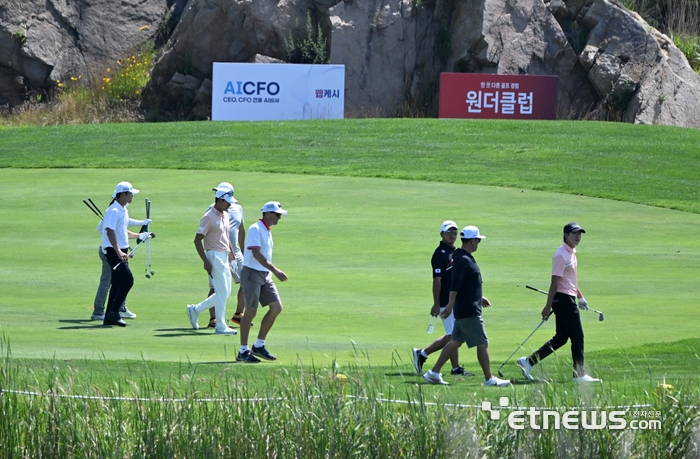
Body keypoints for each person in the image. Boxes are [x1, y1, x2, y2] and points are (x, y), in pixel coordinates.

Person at [423, 226, 510, 387]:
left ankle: (433, 373)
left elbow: (466, 283)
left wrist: (479, 297)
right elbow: (455, 284)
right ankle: (489, 378)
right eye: (478, 240)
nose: (478, 243)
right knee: (482, 343)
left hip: (467, 306)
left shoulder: (462, 256)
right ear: (472, 240)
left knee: (455, 341)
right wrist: (449, 305)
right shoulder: (463, 259)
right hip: (468, 310)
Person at [517, 223, 600, 383]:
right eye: (575, 233)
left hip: (567, 297)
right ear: (566, 235)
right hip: (562, 300)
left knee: (562, 337)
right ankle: (579, 375)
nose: (578, 236)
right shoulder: (561, 255)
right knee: (577, 336)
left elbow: (571, 280)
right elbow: (555, 282)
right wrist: (548, 306)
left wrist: (580, 297)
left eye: (580, 234)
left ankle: (528, 362)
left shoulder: (571, 253)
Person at [412, 221, 473, 377]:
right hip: (446, 301)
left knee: (453, 334)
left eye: (454, 232)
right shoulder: (440, 254)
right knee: (453, 336)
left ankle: (455, 368)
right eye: (448, 232)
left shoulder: (454, 251)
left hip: (454, 299)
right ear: (441, 234)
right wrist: (437, 303)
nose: (452, 235)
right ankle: (423, 353)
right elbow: (437, 280)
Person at [236, 201, 288, 363]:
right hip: (252, 273)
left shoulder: (267, 230)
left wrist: (270, 272)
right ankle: (243, 351)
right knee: (250, 311)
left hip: (264, 275)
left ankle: (259, 345)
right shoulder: (255, 229)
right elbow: (256, 254)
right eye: (277, 214)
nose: (279, 217)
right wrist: (275, 270)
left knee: (276, 307)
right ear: (267, 214)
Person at [186, 187, 238, 335]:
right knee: (221, 291)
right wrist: (205, 261)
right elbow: (197, 240)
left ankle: (195, 309)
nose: (229, 205)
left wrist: (232, 257)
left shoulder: (225, 215)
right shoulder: (209, 217)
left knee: (225, 292)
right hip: (213, 255)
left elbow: (227, 238)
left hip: (225, 255)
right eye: (227, 202)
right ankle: (220, 326)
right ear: (220, 200)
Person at [101, 181, 153, 327]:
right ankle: (114, 312)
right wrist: (118, 251)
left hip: (119, 250)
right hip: (113, 251)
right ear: (123, 194)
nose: (132, 196)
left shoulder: (122, 209)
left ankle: (109, 316)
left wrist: (140, 235)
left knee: (117, 283)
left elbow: (122, 232)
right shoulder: (114, 210)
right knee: (127, 280)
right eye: (130, 194)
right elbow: (109, 231)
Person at [202, 182, 248, 329]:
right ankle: (213, 318)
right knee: (216, 286)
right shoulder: (212, 209)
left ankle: (239, 314)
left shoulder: (238, 208)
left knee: (246, 282)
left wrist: (243, 250)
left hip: (236, 252)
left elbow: (241, 230)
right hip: (219, 252)